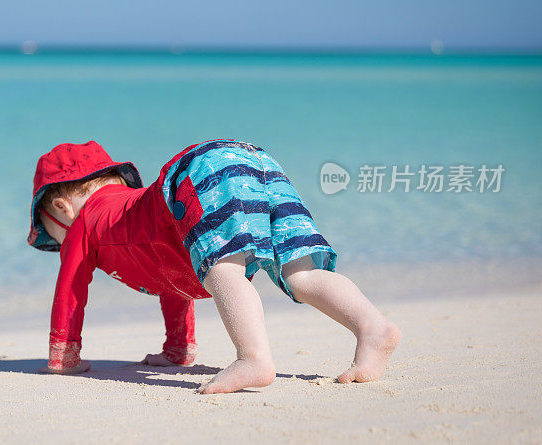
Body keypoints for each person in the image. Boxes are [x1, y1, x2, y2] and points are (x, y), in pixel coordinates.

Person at [27, 139, 400, 394]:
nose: (58, 244)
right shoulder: (140, 215)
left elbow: (70, 288)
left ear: (61, 209)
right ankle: (373, 328)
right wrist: (177, 350)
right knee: (301, 273)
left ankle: (253, 358)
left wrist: (63, 356)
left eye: (48, 232)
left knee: (222, 266)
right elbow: (170, 276)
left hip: (202, 168)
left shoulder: (83, 224)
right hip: (258, 160)